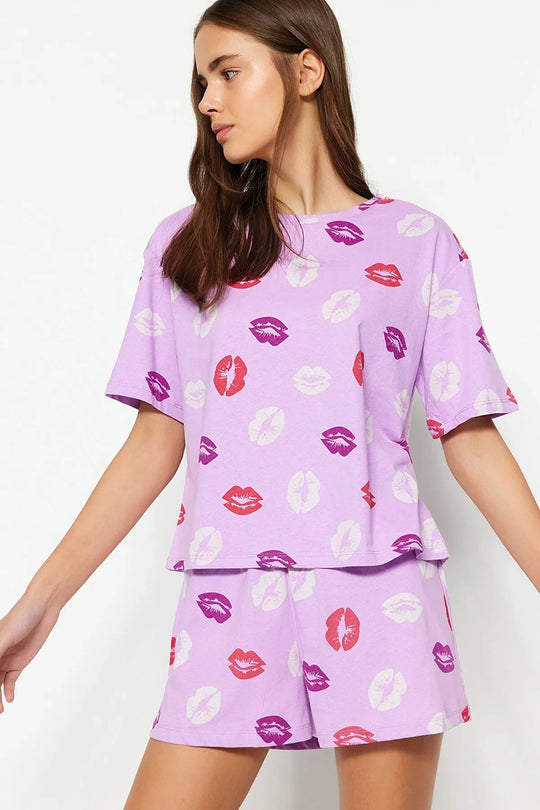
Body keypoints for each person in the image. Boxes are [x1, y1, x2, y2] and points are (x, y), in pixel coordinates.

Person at [1, 1, 538, 808]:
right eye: (200, 82)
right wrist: (37, 606)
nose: (207, 101)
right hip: (232, 590)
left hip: (379, 589)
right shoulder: (188, 246)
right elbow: (156, 439)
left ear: (306, 70)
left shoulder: (417, 242)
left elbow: (470, 438)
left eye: (228, 73)